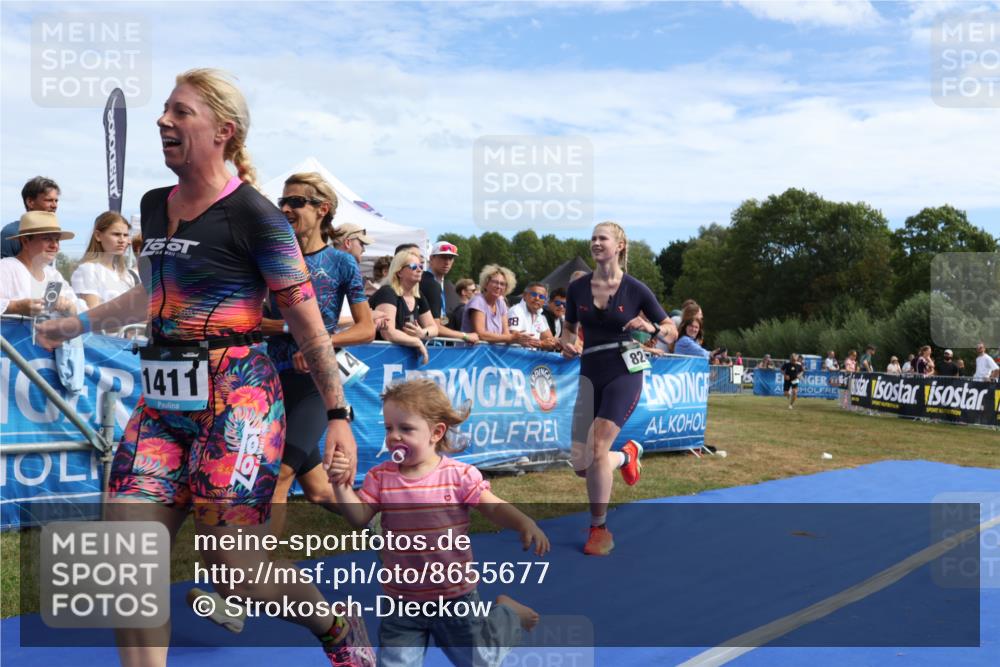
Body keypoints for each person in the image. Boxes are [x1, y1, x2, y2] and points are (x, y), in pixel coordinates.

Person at [35, 68, 372, 667]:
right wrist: (76, 324)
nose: (163, 121)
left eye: (179, 112)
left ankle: (334, 625)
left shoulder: (257, 217)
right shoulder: (153, 207)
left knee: (235, 572)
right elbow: (153, 296)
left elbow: (308, 327)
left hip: (237, 398)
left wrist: (338, 413)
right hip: (162, 403)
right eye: (164, 110)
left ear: (224, 131)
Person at [329, 379, 549, 666]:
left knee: (482, 661)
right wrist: (341, 486)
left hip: (455, 598)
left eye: (405, 429)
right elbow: (359, 517)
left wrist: (523, 522)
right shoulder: (381, 477)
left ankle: (506, 613)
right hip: (402, 601)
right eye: (388, 428)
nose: (394, 436)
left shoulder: (458, 475)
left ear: (436, 432)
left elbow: (492, 507)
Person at [259, 171, 375, 539]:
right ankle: (382, 526)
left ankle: (256, 586)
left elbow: (366, 328)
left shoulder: (342, 263)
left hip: (315, 384)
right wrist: (293, 331)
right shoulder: (270, 258)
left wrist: (319, 343)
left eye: (296, 202)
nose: (286, 208)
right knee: (318, 489)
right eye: (283, 201)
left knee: (278, 477)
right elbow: (249, 318)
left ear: (323, 209)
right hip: (271, 381)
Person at [559, 221, 677, 556]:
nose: (595, 243)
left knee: (596, 448)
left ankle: (599, 530)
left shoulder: (636, 289)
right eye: (592, 238)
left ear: (620, 245)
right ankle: (627, 455)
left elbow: (670, 331)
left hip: (625, 369)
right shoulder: (578, 288)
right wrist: (567, 343)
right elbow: (568, 329)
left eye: (602, 238)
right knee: (583, 464)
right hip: (589, 371)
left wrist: (652, 325)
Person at [0, 211, 79, 317]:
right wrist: (16, 307)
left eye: (57, 240)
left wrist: (68, 306)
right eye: (47, 239)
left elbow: (80, 310)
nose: (55, 245)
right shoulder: (6, 268)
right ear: (25, 241)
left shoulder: (54, 275)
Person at [370, 248, 439, 364]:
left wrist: (423, 333)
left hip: (400, 359)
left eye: (421, 266)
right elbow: (388, 332)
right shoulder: (388, 292)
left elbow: (434, 327)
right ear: (399, 272)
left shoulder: (419, 296)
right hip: (379, 358)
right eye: (413, 266)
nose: (419, 270)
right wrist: (416, 342)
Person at [71, 211, 139, 312]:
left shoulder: (125, 275)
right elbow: (94, 314)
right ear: (98, 236)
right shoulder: (87, 270)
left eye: (125, 235)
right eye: (116, 234)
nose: (122, 240)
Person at [461, 264, 534, 346]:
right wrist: (512, 338)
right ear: (486, 284)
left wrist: (520, 338)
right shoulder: (478, 301)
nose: (499, 286)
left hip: (491, 353)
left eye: (502, 284)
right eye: (495, 282)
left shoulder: (501, 303)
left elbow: (506, 334)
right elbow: (480, 334)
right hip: (471, 353)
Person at [421, 240, 478, 344]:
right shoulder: (430, 283)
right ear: (431, 258)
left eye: (450, 258)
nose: (447, 262)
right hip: (429, 345)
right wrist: (465, 335)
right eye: (443, 257)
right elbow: (435, 326)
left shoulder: (437, 282)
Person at [1, 176, 60, 259]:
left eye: (56, 201)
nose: (54, 205)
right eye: (48, 200)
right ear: (30, 202)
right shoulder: (11, 233)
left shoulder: (53, 235)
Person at [507, 282, 558, 350]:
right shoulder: (516, 310)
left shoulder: (540, 315)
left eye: (541, 297)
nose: (537, 298)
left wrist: (554, 342)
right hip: (512, 356)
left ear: (544, 301)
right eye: (534, 294)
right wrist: (541, 343)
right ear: (524, 296)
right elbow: (514, 337)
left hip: (529, 358)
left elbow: (549, 339)